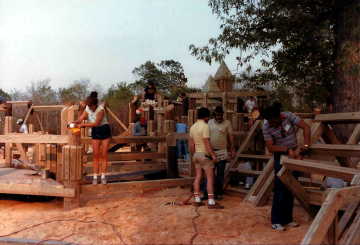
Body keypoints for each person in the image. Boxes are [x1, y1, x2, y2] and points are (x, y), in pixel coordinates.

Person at [262, 106, 310, 231]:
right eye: (270, 122)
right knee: (280, 188)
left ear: (279, 115)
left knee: (292, 187)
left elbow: (306, 126)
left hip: (294, 157)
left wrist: (306, 144)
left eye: (274, 121)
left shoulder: (288, 116)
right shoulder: (266, 127)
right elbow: (271, 148)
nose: (272, 124)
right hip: (281, 158)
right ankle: (276, 220)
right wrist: (287, 150)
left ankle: (287, 219)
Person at [73, 91, 111, 186]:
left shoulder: (101, 109)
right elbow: (81, 118)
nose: (89, 108)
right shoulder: (87, 108)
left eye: (91, 106)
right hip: (95, 131)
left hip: (104, 130)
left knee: (104, 155)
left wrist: (82, 125)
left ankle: (103, 176)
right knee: (96, 155)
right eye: (88, 106)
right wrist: (74, 122)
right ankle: (95, 177)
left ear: (95, 105)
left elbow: (96, 123)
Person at [190, 107, 224, 209]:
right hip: (205, 155)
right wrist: (213, 155)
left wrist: (195, 154)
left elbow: (192, 144)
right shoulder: (205, 126)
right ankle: (211, 201)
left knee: (198, 177)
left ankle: (197, 199)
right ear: (206, 117)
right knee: (210, 178)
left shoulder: (193, 127)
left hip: (196, 155)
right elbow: (207, 142)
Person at [201, 106, 236, 201]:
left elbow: (231, 136)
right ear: (215, 114)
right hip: (210, 151)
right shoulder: (209, 122)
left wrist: (233, 149)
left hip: (222, 151)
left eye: (221, 115)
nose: (219, 116)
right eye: (218, 115)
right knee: (208, 174)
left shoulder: (227, 123)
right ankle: (205, 193)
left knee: (220, 174)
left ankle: (218, 193)